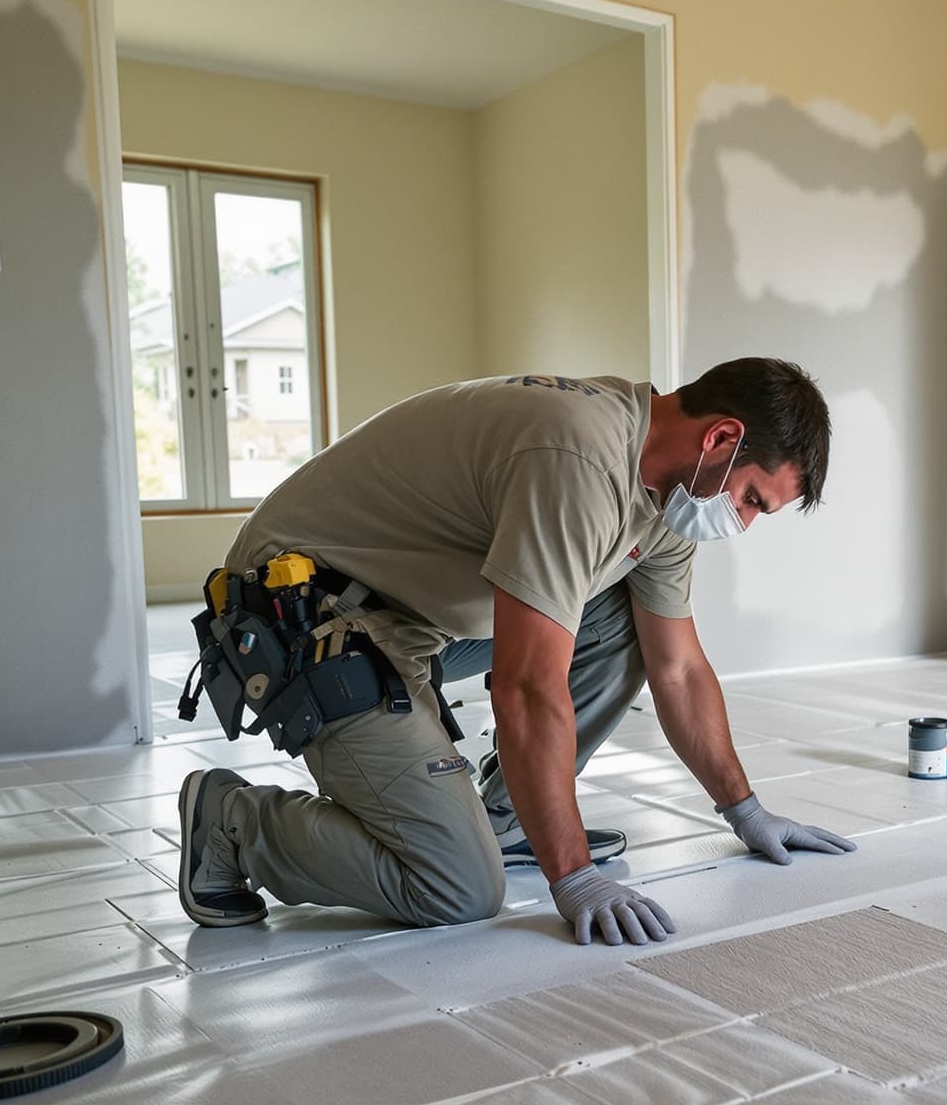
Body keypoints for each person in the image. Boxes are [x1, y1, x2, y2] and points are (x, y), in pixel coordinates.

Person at [173, 359, 856, 947]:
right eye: (752, 500)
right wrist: (573, 874)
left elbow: (676, 665)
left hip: (416, 617)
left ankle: (502, 821)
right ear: (722, 438)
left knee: (623, 619)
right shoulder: (578, 456)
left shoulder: (670, 503)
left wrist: (745, 810)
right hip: (304, 614)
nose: (741, 521)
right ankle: (233, 823)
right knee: (456, 887)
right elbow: (528, 685)